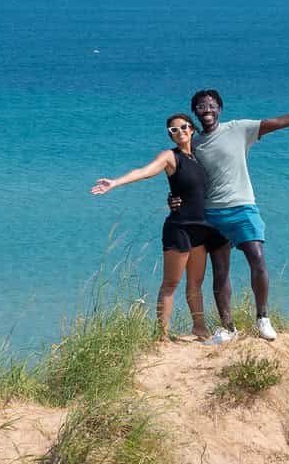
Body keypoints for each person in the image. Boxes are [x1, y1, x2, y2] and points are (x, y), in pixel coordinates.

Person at [180, 88, 289, 342]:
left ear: (220, 108)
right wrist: (176, 199)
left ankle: (262, 318)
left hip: (243, 207)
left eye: (211, 106)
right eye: (200, 106)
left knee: (257, 259)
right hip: (211, 214)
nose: (207, 110)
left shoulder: (239, 129)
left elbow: (277, 123)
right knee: (220, 271)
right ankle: (228, 328)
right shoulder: (194, 143)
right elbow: (183, 176)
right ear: (195, 112)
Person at [90, 113, 229, 340]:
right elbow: (145, 171)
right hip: (179, 227)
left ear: (192, 129)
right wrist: (115, 182)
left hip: (202, 228)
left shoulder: (199, 156)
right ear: (170, 135)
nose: (180, 132)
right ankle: (162, 335)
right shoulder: (170, 157)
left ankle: (199, 328)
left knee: (196, 283)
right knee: (171, 283)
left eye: (184, 127)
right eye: (174, 130)